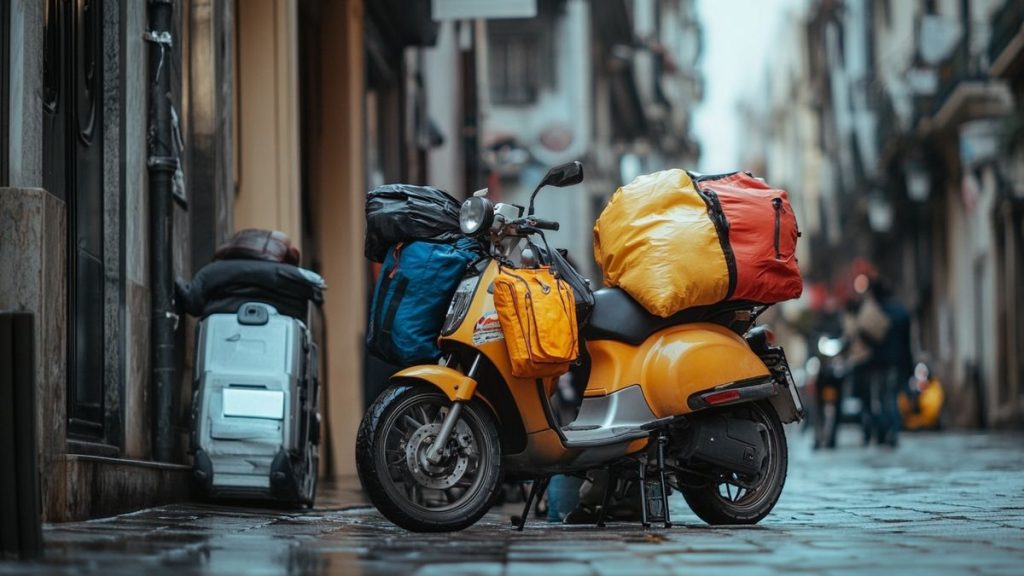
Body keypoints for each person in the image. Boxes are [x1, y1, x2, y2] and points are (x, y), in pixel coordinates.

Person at [861, 280, 912, 447]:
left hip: (879, 362)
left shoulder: (874, 313)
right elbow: (907, 342)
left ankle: (885, 432)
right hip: (897, 362)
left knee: (882, 400)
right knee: (892, 398)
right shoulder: (901, 312)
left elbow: (865, 336)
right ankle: (892, 432)